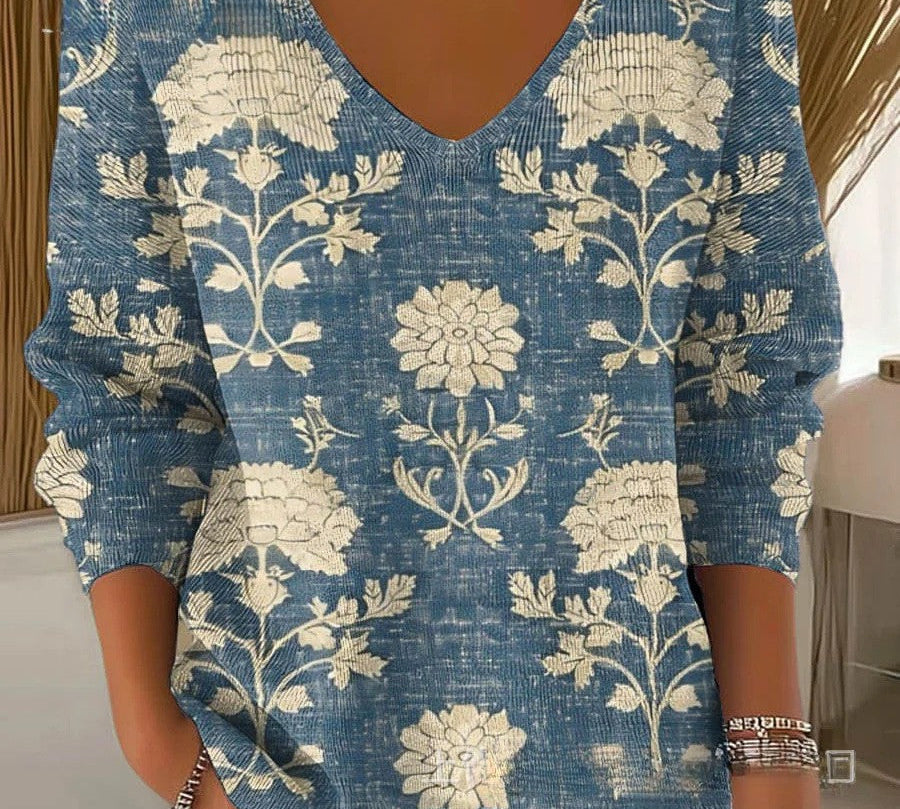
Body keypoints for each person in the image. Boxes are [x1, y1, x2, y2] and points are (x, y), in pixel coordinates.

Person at [24, 1, 842, 807]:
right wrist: (161, 747)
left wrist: (775, 763)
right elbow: (127, 381)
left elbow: (740, 391)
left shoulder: (721, 12)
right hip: (280, 760)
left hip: (637, 758)